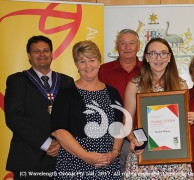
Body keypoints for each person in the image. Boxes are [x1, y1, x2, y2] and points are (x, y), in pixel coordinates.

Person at [123, 37, 194, 179]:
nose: (158, 58)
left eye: (163, 53)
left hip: (175, 159)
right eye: (153, 53)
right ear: (147, 58)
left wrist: (188, 118)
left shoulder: (181, 86)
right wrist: (134, 140)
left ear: (169, 57)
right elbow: (127, 123)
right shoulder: (134, 85)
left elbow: (181, 123)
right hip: (144, 156)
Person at [51, 40, 123, 179]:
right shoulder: (66, 93)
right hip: (74, 165)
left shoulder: (113, 92)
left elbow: (119, 126)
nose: (88, 66)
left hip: (107, 165)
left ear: (99, 62)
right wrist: (86, 156)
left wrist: (115, 152)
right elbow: (59, 131)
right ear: (76, 64)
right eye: (82, 61)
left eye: (92, 60)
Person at [4, 35, 73, 179]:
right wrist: (46, 143)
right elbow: (13, 118)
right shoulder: (17, 80)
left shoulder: (67, 81)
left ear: (52, 54)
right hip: (28, 158)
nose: (42, 55)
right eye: (36, 51)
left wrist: (61, 142)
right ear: (29, 56)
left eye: (46, 50)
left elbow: (73, 117)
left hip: (62, 158)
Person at [98, 29, 142, 176]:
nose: (127, 47)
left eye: (131, 43)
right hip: (110, 137)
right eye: (123, 43)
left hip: (140, 136)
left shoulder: (147, 70)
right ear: (117, 46)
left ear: (138, 46)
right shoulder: (103, 70)